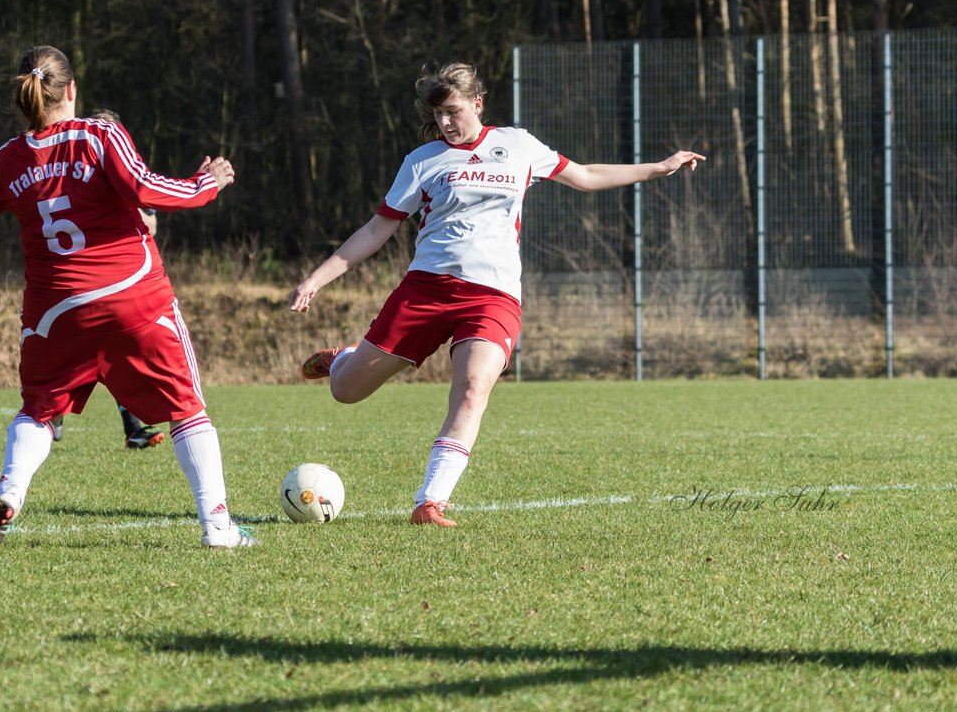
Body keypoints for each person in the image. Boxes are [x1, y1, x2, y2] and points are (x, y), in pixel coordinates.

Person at [290, 62, 704, 527]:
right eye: (439, 115)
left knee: (472, 387)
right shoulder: (422, 161)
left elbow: (585, 175)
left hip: (494, 295)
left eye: (454, 111)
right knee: (346, 392)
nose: (446, 122)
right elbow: (376, 230)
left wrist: (659, 167)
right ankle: (345, 358)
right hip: (425, 289)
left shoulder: (518, 146)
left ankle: (430, 501)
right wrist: (316, 279)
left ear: (477, 105)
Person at [0, 45, 255, 549]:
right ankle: (219, 526)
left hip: (54, 314)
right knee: (187, 408)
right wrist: (206, 183)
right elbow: (146, 189)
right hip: (130, 295)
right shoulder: (98, 134)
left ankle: (10, 491)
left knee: (39, 411)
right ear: (71, 90)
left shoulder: (6, 159)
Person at [48, 108, 165, 451]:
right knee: (68, 361)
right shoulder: (74, 176)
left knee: (118, 361)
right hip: (78, 285)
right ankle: (49, 416)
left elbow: (152, 225)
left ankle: (133, 429)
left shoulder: (131, 177)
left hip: (125, 285)